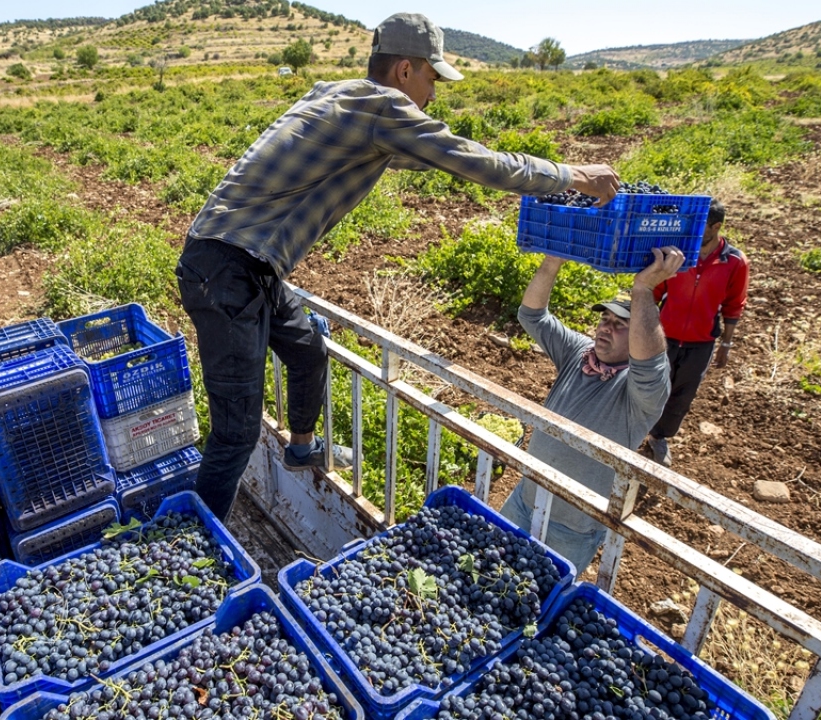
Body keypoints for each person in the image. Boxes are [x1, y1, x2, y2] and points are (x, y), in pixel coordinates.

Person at [175, 12, 622, 521]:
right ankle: (198, 551)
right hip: (229, 268)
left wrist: (484, 163)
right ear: (405, 70)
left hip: (246, 265)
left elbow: (432, 156)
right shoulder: (384, 106)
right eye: (432, 80)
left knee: (305, 350)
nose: (433, 95)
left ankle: (302, 447)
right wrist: (573, 175)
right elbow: (475, 160)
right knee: (237, 432)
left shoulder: (337, 94)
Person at [500, 249, 681, 571]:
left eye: (620, 325)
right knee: (489, 571)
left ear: (638, 334)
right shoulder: (579, 353)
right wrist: (554, 258)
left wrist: (644, 291)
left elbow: (650, 364)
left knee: (537, 596)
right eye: (604, 319)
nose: (605, 329)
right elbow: (532, 315)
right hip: (525, 499)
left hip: (572, 526)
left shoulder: (642, 393)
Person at [644, 201, 750, 467]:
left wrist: (726, 342)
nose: (692, 230)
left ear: (716, 227)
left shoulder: (735, 262)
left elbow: (734, 303)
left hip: (701, 341)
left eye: (700, 225)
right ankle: (633, 430)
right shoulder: (677, 254)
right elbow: (653, 290)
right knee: (649, 385)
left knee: (682, 394)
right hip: (663, 335)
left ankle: (658, 436)